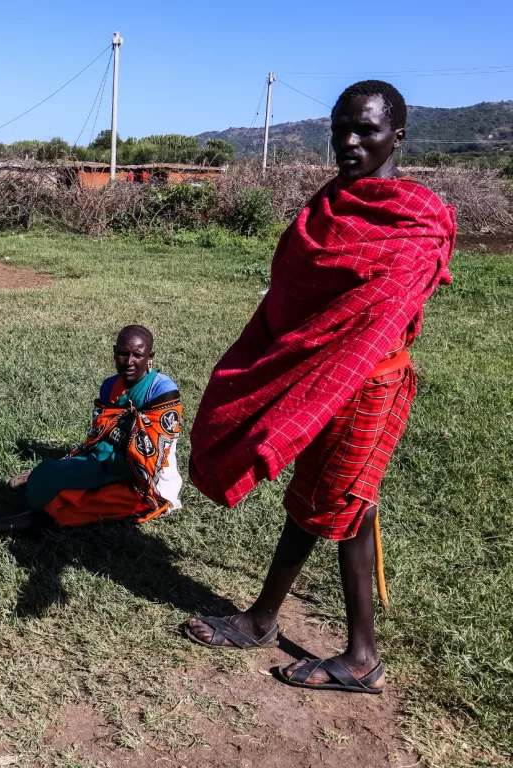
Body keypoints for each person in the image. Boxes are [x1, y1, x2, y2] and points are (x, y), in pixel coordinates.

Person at [186, 81, 456, 694]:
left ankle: (356, 655)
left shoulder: (414, 220)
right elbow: (296, 291)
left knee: (332, 507)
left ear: (399, 136)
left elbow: (382, 312)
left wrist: (335, 359)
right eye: (340, 128)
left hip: (367, 385)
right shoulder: (329, 207)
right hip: (322, 377)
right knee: (330, 504)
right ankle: (269, 621)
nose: (349, 142)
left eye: (365, 129)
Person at [0, 325, 183, 543]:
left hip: (144, 484)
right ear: (114, 352)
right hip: (107, 463)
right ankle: (54, 485)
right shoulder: (110, 386)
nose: (130, 361)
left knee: (60, 505)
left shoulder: (161, 392)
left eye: (138, 355)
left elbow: (149, 455)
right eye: (124, 354)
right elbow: (99, 436)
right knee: (45, 475)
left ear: (150, 357)